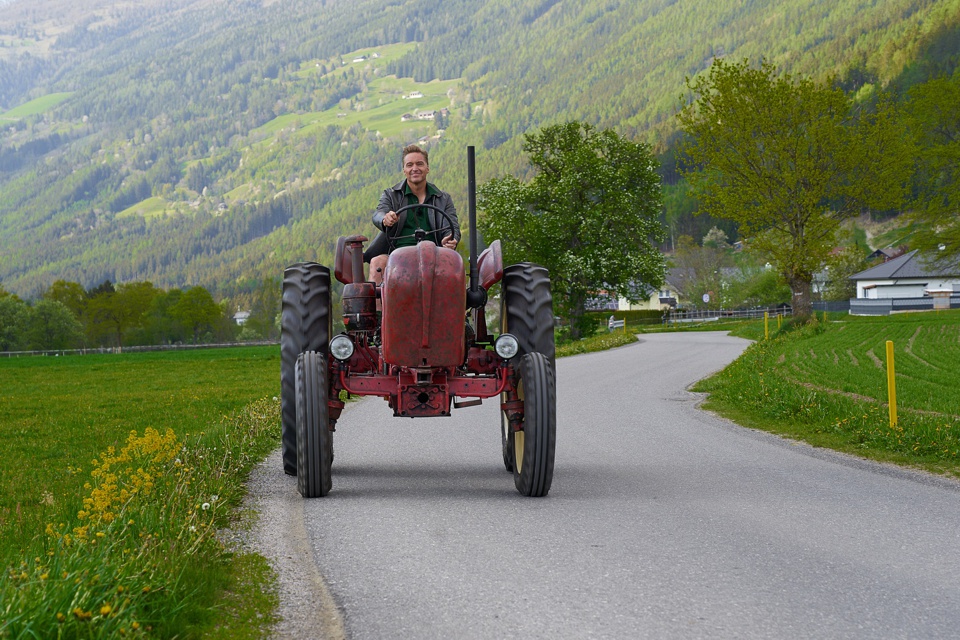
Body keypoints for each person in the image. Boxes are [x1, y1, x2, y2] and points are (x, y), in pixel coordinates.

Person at [365, 144, 460, 285]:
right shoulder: (391, 195)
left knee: (454, 266)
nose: (414, 168)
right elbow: (378, 214)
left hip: (434, 255)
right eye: (409, 165)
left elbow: (451, 227)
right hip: (397, 255)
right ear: (404, 170)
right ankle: (378, 307)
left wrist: (450, 239)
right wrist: (385, 219)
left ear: (427, 168)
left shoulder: (443, 199)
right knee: (378, 263)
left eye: (419, 164)